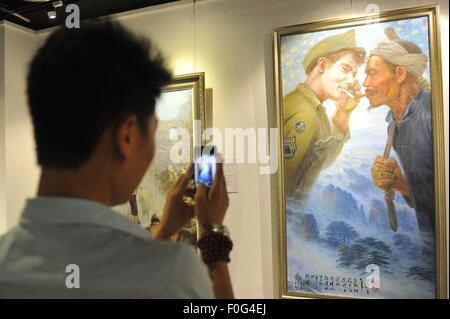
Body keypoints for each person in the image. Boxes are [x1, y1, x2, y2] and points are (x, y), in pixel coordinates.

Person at [0, 20, 232, 298]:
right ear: (127, 136)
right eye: (153, 133)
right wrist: (212, 235)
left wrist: (166, 227)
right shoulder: (173, 274)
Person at [364, 27, 434, 234]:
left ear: (400, 74)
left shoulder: (434, 113)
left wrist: (401, 183)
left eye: (372, 73)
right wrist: (400, 183)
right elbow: (427, 198)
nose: (365, 84)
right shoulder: (394, 126)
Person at [283, 29, 366, 204]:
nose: (351, 81)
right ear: (322, 66)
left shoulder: (313, 108)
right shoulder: (306, 114)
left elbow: (318, 163)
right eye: (345, 69)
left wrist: (343, 112)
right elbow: (289, 188)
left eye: (354, 74)